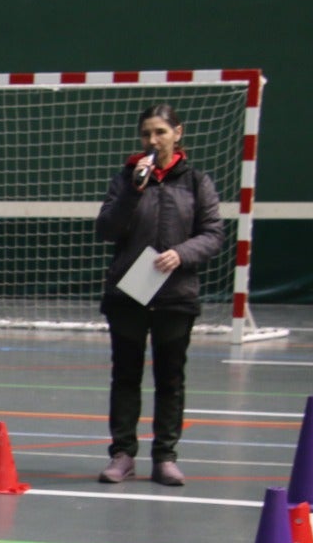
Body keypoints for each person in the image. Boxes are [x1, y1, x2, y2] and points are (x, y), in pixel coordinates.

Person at [96, 103, 225, 486]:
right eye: (146, 134)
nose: (153, 140)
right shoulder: (126, 180)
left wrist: (182, 254)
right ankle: (122, 455)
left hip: (175, 295)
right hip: (129, 294)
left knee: (170, 379)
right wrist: (133, 193)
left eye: (160, 132)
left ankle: (165, 457)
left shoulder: (197, 182)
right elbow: (106, 229)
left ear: (177, 133)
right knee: (125, 376)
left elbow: (213, 233)